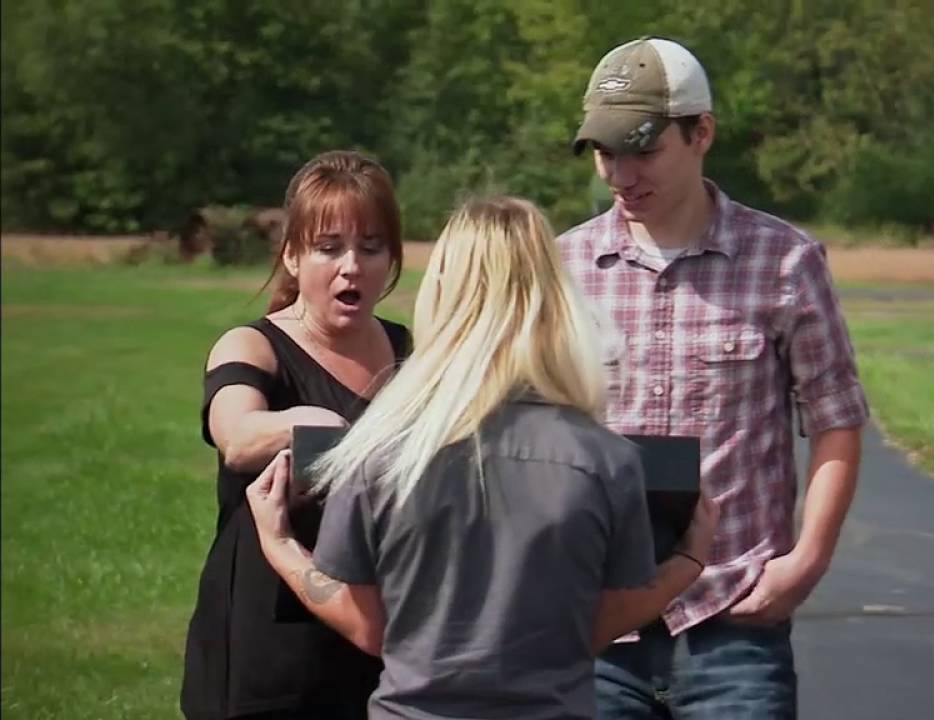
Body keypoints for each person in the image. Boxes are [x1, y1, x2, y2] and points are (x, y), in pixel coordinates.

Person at [243, 196, 720, 720]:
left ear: (443, 294)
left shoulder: (380, 449)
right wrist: (687, 561)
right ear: (554, 296)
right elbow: (592, 626)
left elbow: (374, 627)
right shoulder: (606, 459)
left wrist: (281, 545)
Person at [560, 36, 869, 718]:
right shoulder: (562, 268)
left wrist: (805, 563)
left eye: (643, 149)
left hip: (735, 620)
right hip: (599, 623)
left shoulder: (785, 261)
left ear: (702, 133)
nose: (620, 173)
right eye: (606, 151)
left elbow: (836, 422)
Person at [181, 150, 411, 720]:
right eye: (329, 248)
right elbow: (236, 435)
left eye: (371, 247)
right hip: (269, 653)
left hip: (376, 635)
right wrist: (312, 425)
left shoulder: (411, 355)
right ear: (291, 255)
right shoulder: (252, 345)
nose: (351, 266)